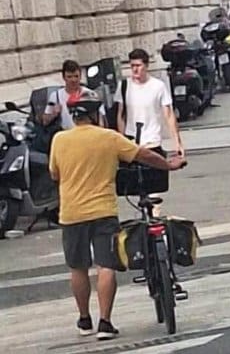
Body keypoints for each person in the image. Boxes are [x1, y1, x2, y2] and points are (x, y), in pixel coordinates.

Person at [49, 88, 183, 340]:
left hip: (71, 213)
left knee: (77, 267)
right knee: (105, 265)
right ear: (95, 115)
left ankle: (84, 320)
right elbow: (142, 155)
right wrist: (169, 164)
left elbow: (55, 174)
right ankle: (105, 323)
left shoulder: (59, 140)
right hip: (102, 211)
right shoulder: (109, 138)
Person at [116, 49, 185, 159]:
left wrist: (177, 142)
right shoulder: (124, 86)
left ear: (146, 66)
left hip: (152, 142)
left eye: (138, 65)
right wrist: (122, 140)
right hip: (132, 143)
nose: (135, 69)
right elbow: (121, 115)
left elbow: (169, 115)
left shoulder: (158, 86)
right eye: (132, 65)